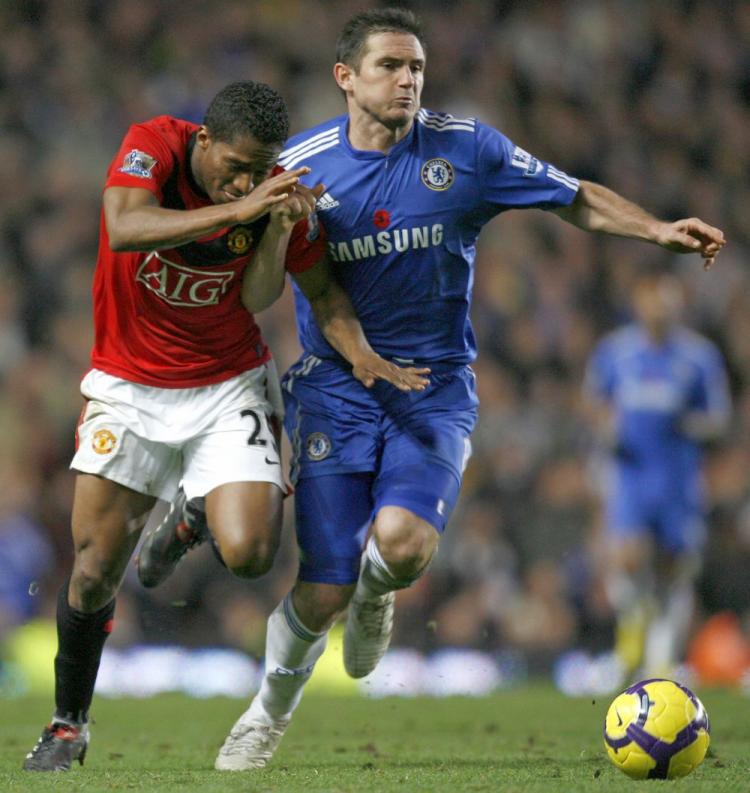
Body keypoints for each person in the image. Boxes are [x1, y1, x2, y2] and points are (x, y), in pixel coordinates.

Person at [141, 9, 725, 771]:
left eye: (416, 66)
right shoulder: (304, 164)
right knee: (321, 591)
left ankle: (380, 590)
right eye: (390, 65)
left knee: (405, 547)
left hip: (435, 387)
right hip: (337, 389)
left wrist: (654, 230)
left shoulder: (467, 149)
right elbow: (263, 274)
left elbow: (571, 194)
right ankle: (266, 713)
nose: (409, 79)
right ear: (345, 77)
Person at [22, 79, 428, 773]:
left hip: (225, 382)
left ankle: (190, 515)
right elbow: (125, 227)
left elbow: (262, 295)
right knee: (92, 570)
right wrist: (239, 208)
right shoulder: (155, 146)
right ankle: (68, 724)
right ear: (203, 140)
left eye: (258, 168)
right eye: (233, 165)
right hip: (128, 383)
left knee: (249, 552)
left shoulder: (275, 198)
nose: (245, 179)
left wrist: (272, 228)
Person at [584, 270, 730, 681]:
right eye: (651, 300)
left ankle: (661, 658)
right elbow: (594, 403)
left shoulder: (699, 357)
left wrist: (684, 423)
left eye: (666, 301)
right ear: (638, 304)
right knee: (627, 560)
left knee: (673, 566)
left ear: (677, 306)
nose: (658, 310)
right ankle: (629, 640)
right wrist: (605, 429)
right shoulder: (616, 352)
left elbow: (718, 418)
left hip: (677, 478)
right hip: (631, 474)